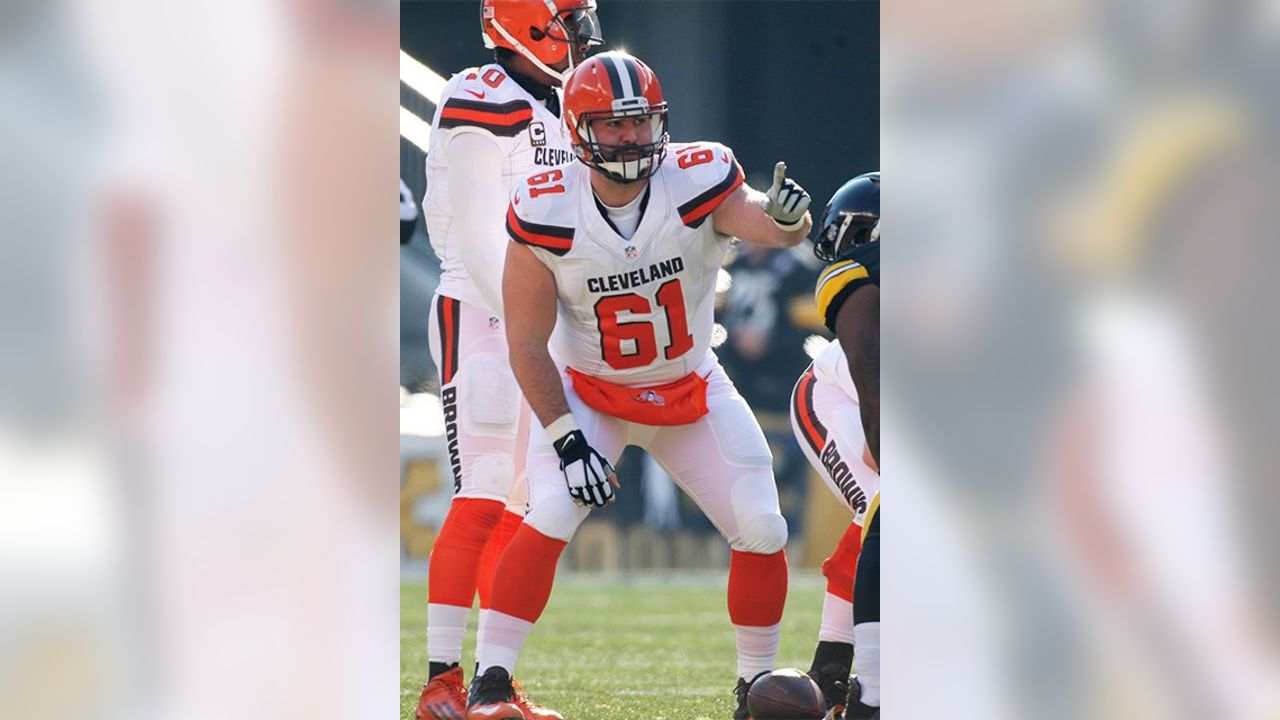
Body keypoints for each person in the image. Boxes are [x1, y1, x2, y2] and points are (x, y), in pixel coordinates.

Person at [464, 51, 814, 720]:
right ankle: (492, 683)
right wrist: (567, 441)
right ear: (576, 130)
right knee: (550, 514)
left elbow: (757, 217)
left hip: (689, 386)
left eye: (639, 122)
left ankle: (755, 687)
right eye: (611, 125)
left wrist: (789, 220)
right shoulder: (545, 207)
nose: (629, 138)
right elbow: (525, 343)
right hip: (590, 393)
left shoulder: (697, 176)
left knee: (764, 527)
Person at [413, 2, 603, 719]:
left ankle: (492, 687)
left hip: (533, 322)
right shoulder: (478, 96)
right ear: (527, 24)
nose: (581, 37)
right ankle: (441, 683)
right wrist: (535, 326)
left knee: (521, 510)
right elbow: (479, 240)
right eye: (568, 22)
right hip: (482, 312)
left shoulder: (561, 107)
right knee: (484, 492)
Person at [789, 172, 880, 719]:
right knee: (883, 510)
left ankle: (832, 669)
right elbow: (877, 425)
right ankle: (837, 675)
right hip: (835, 397)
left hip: (872, 397)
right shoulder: (864, 288)